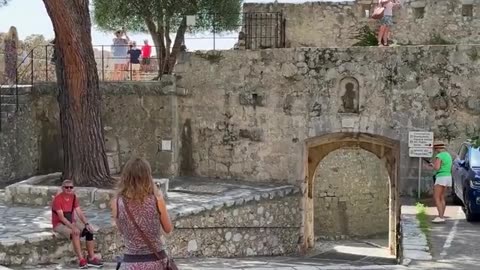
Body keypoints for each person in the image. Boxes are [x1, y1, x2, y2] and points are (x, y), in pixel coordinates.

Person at [111, 158, 174, 270]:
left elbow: (122, 230)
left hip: (130, 263)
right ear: (148, 176)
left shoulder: (117, 202)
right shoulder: (157, 199)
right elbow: (168, 228)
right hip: (156, 263)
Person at [51, 179, 103, 268]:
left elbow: (79, 213)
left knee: (89, 231)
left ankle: (91, 258)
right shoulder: (57, 200)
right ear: (62, 188)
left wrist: (87, 224)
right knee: (75, 233)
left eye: (71, 187)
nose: (69, 189)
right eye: (66, 187)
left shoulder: (74, 197)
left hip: (71, 221)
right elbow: (62, 218)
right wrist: (73, 227)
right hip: (59, 224)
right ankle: (81, 259)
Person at [425, 141, 453, 223]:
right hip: (448, 176)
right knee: (442, 197)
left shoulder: (439, 156)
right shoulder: (448, 155)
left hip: (441, 177)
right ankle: (442, 215)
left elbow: (437, 168)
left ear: (437, 148)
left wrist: (431, 166)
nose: (435, 150)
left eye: (435, 149)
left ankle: (440, 217)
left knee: (436, 197)